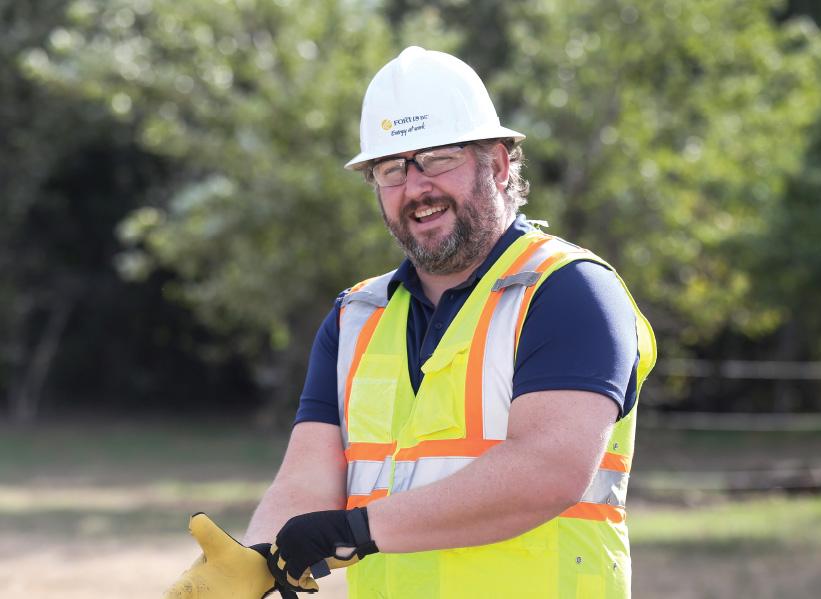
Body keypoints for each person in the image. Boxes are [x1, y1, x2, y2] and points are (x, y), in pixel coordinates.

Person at [165, 46, 656, 599]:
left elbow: (547, 468)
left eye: (438, 157)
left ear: (496, 163)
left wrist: (361, 531)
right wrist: (259, 558)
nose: (415, 186)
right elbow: (307, 481)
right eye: (391, 168)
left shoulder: (568, 289)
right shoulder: (357, 317)